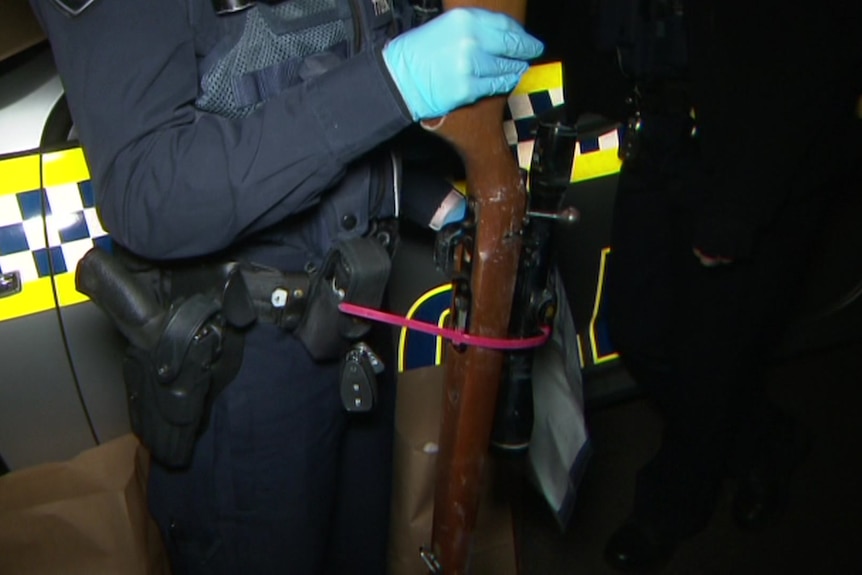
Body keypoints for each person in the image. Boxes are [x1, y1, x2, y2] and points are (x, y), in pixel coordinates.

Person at [29, 1, 543, 573]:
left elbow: (305, 72)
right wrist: (389, 84)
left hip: (358, 312)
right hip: (246, 364)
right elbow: (150, 189)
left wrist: (418, 192)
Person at [555, 0, 861, 571]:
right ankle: (764, 440)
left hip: (766, 154)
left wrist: (741, 206)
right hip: (665, 128)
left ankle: (669, 507)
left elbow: (820, 48)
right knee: (638, 326)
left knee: (711, 355)